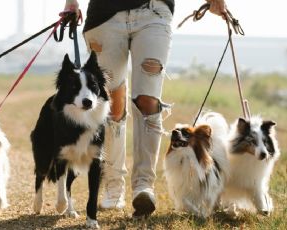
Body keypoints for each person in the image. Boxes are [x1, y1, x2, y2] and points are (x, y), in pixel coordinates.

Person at [63, 0, 228, 218]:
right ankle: (113, 185)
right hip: (104, 16)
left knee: (148, 100)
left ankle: (144, 185)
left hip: (154, 12)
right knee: (111, 103)